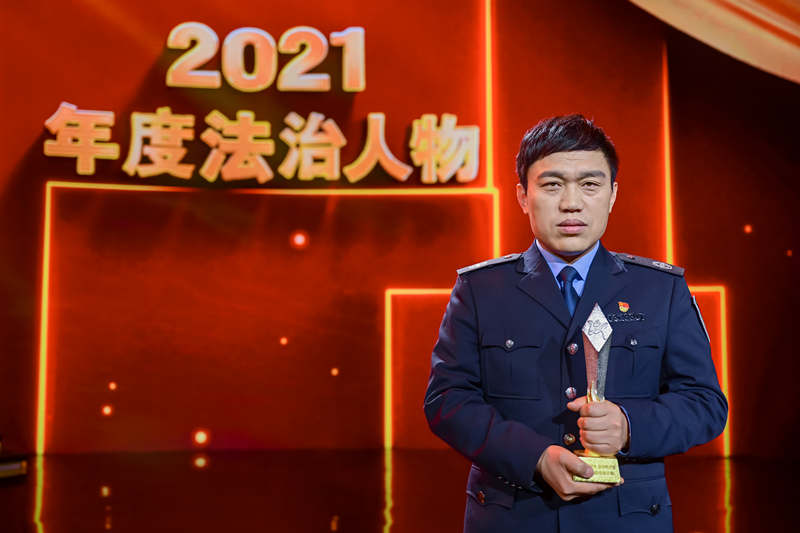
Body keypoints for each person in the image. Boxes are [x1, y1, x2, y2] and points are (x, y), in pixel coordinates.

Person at [423, 114, 728, 532]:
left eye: (589, 184)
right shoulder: (480, 290)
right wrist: (534, 457)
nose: (571, 202)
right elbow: (447, 401)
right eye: (552, 185)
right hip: (514, 516)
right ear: (523, 196)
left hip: (626, 519)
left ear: (612, 194)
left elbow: (705, 404)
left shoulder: (660, 289)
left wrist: (628, 426)